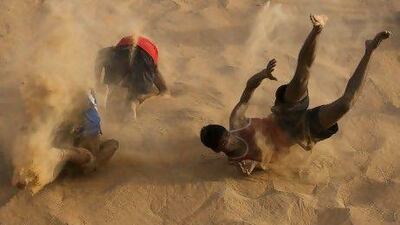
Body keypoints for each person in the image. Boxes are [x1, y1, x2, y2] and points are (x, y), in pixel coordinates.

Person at [200, 14, 391, 175]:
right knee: (345, 105)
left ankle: (316, 30)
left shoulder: (237, 123)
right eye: (225, 142)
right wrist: (257, 165)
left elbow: (248, 90)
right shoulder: (237, 162)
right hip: (301, 133)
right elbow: (268, 162)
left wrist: (263, 75)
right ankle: (370, 50)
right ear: (218, 149)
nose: (230, 139)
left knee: (300, 79)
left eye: (227, 135)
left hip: (284, 114)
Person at [95, 35, 168, 120]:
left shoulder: (151, 66)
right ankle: (132, 104)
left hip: (124, 52)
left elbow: (101, 55)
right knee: (136, 95)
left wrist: (97, 79)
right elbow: (163, 89)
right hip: (144, 53)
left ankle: (112, 112)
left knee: (114, 90)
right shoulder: (151, 65)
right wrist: (161, 92)